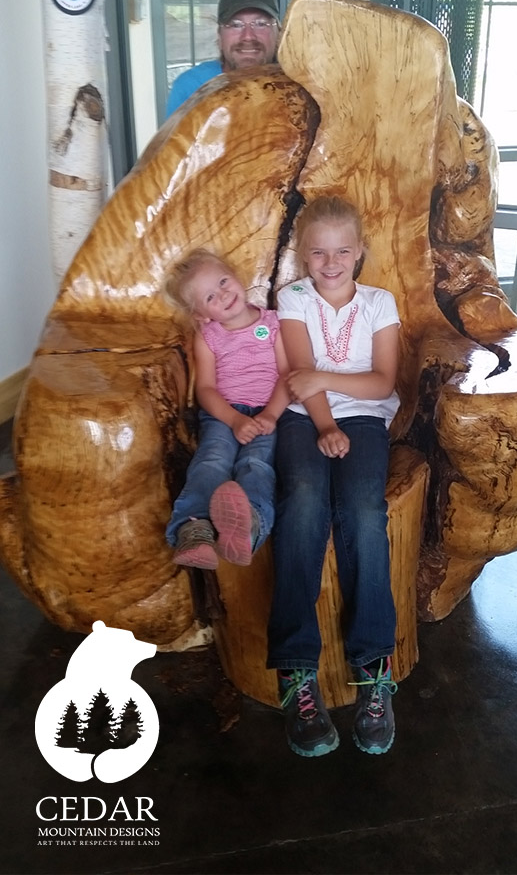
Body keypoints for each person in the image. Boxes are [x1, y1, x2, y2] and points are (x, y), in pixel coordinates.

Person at [267, 195, 401, 758]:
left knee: (365, 512)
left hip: (365, 421)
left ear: (359, 251)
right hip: (304, 418)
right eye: (319, 252)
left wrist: (325, 381)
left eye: (342, 251)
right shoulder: (292, 298)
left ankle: (374, 667)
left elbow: (382, 383)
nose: (331, 262)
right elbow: (298, 378)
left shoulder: (379, 302)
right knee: (302, 500)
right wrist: (324, 422)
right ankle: (296, 669)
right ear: (303, 255)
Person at [164, 249, 289, 570]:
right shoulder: (208, 336)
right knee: (212, 459)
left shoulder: (273, 323)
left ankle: (249, 527)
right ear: (201, 315)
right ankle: (195, 531)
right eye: (210, 297)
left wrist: (271, 415)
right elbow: (205, 389)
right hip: (223, 412)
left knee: (256, 463)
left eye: (222, 282)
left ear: (236, 276)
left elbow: (287, 376)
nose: (222, 294)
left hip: (267, 411)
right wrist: (233, 419)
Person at [166, 0, 280, 117]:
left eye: (261, 24)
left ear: (279, 33)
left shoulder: (297, 84)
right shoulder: (191, 88)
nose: (248, 36)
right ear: (220, 35)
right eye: (236, 25)